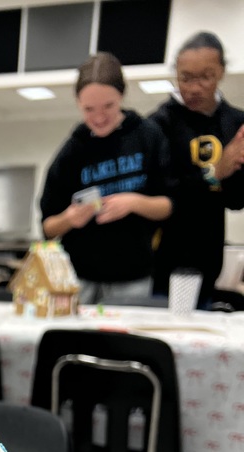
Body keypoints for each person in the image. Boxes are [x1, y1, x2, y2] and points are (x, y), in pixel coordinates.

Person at [39, 52, 174, 305]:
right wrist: (70, 218)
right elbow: (48, 227)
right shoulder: (73, 150)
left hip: (133, 275)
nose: (99, 118)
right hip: (77, 277)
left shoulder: (148, 136)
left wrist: (133, 202)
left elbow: (168, 206)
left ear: (122, 96)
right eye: (88, 109)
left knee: (123, 344)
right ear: (78, 103)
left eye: (108, 106)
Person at [149, 31, 244, 306]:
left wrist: (232, 171)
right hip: (163, 257)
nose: (194, 87)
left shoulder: (235, 123)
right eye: (185, 77)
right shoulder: (159, 125)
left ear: (222, 72)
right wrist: (214, 172)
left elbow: (236, 200)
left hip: (208, 257)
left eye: (206, 76)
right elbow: (163, 193)